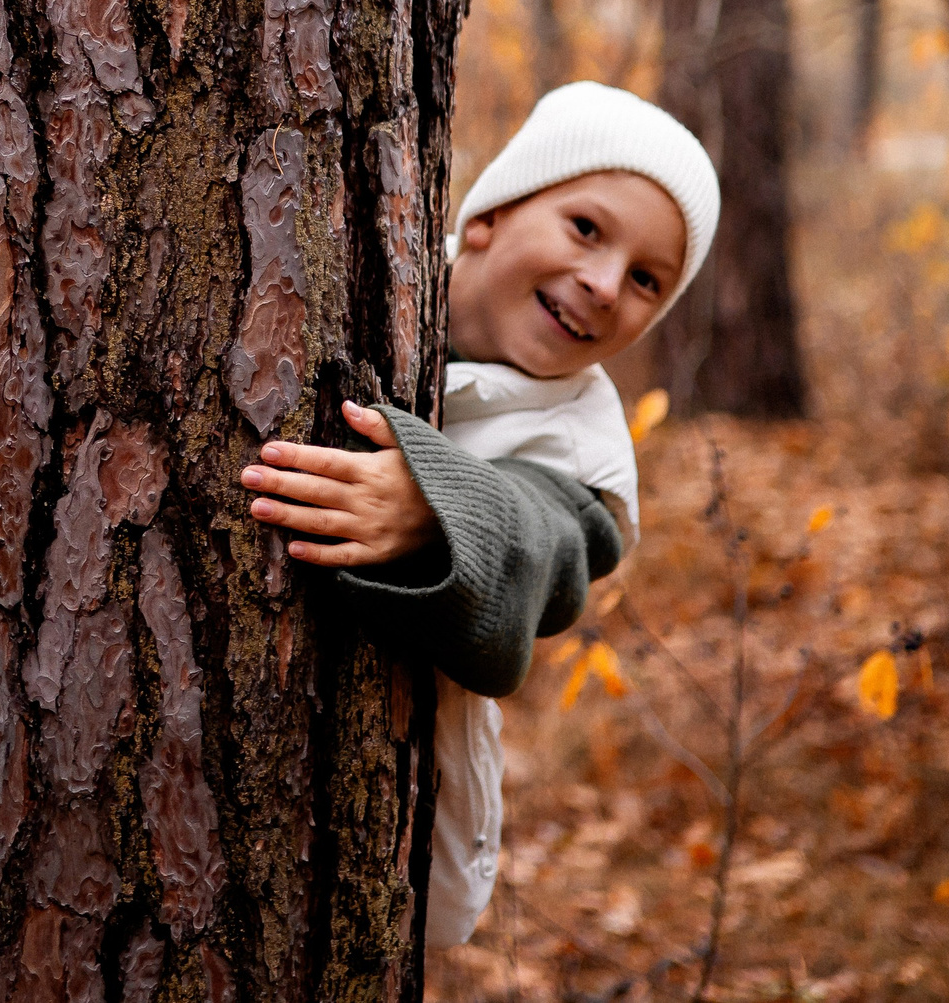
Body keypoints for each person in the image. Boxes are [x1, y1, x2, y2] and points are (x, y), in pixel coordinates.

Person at [239, 82, 719, 947]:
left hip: (375, 816)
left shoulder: (583, 440)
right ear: (494, 213)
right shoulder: (374, 256)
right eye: (586, 228)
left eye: (647, 279)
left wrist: (439, 509)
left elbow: (558, 548)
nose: (606, 284)